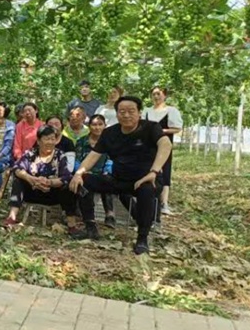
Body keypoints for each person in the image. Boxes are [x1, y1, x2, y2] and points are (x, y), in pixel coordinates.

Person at [70, 96, 172, 255]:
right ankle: (90, 228)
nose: (126, 115)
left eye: (131, 111)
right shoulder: (110, 133)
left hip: (146, 179)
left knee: (146, 190)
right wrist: (78, 173)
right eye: (122, 111)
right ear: (117, 114)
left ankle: (142, 238)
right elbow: (94, 155)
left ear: (139, 112)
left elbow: (166, 144)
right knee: (82, 181)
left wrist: (154, 171)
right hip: (119, 179)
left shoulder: (151, 128)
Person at [2, 125, 82, 236]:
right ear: (39, 141)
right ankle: (12, 217)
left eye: (53, 139)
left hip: (52, 194)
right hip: (31, 192)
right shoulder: (30, 154)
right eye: (47, 139)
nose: (50, 142)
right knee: (18, 180)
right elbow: (17, 168)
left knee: (68, 184)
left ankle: (71, 224)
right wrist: (31, 179)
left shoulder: (60, 156)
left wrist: (49, 182)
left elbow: (65, 176)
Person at [144, 86, 183, 215]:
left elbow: (177, 128)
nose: (156, 97)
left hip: (164, 144)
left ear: (164, 95)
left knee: (165, 170)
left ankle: (164, 202)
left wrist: (161, 131)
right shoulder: (147, 111)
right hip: (148, 145)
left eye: (158, 94)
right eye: (154, 94)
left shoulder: (171, 111)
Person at [75, 114, 116, 227]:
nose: (97, 127)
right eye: (94, 125)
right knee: (83, 181)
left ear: (104, 126)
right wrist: (80, 171)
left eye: (100, 124)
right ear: (89, 126)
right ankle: (88, 218)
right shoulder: (81, 141)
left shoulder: (110, 142)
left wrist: (107, 171)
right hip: (84, 172)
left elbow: (111, 160)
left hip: (102, 173)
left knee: (107, 180)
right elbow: (77, 160)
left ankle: (110, 215)